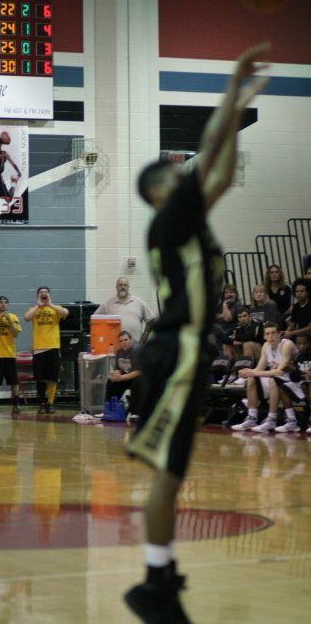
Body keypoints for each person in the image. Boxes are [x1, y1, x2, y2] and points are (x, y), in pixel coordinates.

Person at [123, 41, 271, 624]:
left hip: (183, 348)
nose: (182, 167)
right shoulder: (172, 213)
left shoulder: (184, 219)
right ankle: (156, 583)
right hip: (177, 349)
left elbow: (225, 169)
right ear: (161, 185)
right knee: (170, 470)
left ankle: (158, 581)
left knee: (172, 471)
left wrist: (234, 117)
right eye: (173, 167)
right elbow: (210, 158)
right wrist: (232, 90)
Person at [231, 321, 305, 433]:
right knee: (251, 379)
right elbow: (259, 368)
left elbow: (280, 372)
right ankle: (252, 417)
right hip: (279, 380)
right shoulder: (266, 346)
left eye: (273, 333)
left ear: (279, 334)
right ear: (264, 336)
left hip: (295, 380)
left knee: (272, 380)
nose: (271, 336)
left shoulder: (287, 344)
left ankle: (272, 419)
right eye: (268, 333)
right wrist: (247, 372)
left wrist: (254, 373)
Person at [24, 287, 68, 414]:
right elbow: (27, 317)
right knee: (40, 378)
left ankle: (50, 403)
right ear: (38, 295)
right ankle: (42, 403)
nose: (44, 294)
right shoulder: (34, 309)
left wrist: (50, 304)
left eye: (46, 292)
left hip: (53, 347)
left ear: (49, 294)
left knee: (52, 378)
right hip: (39, 348)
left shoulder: (55, 309)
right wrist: (38, 305)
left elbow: (65, 313)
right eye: (41, 292)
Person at [94, 277, 155, 344]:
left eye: (125, 285)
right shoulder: (108, 304)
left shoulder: (139, 302)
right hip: (115, 346)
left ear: (128, 287)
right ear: (116, 287)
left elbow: (151, 319)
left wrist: (146, 334)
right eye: (120, 285)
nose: (123, 287)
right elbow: (95, 319)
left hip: (135, 346)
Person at [104, 330, 142, 417]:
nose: (123, 343)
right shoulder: (119, 352)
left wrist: (121, 378)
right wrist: (115, 375)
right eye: (121, 341)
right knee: (111, 382)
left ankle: (136, 412)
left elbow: (138, 372)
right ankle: (109, 408)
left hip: (138, 377)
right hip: (126, 377)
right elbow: (118, 368)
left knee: (137, 382)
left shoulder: (136, 350)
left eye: (126, 340)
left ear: (131, 340)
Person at [213, 283, 240, 353]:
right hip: (218, 330)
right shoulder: (219, 305)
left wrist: (225, 305)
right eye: (226, 292)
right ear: (223, 295)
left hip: (230, 330)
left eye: (231, 292)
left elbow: (227, 319)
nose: (229, 294)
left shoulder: (237, 305)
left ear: (235, 294)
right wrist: (222, 315)